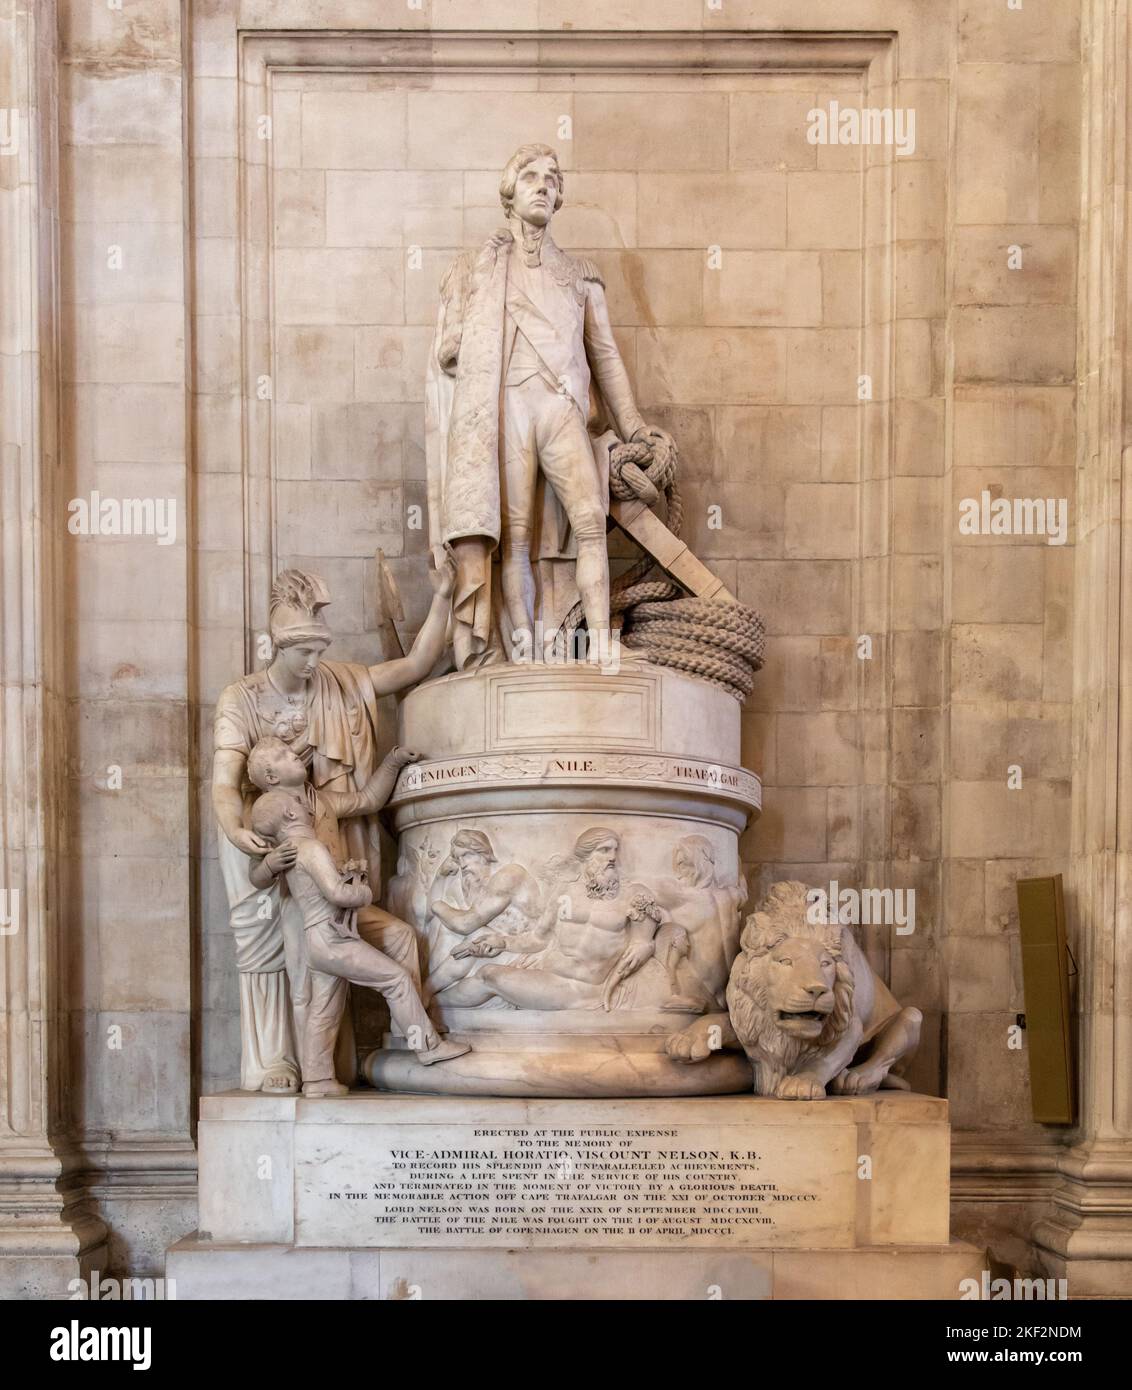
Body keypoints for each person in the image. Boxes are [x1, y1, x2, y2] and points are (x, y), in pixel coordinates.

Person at [211, 552, 455, 1093]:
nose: (312, 662)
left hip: (328, 842)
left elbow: (416, 666)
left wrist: (442, 598)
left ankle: (392, 1051)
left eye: (319, 650)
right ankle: (285, 1063)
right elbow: (225, 784)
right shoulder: (242, 699)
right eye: (303, 651)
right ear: (279, 646)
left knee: (353, 964)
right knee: (287, 964)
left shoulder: (338, 692)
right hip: (269, 844)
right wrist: (239, 834)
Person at [426, 143, 674, 664]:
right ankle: (523, 652)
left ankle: (602, 644)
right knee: (515, 538)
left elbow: (605, 358)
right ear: (510, 193)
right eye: (532, 177)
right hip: (510, 407)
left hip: (561, 410)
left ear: (559, 198)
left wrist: (633, 428)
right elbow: (449, 352)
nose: (544, 185)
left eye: (554, 179)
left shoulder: (579, 275)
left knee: (589, 522)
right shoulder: (479, 271)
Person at [248, 784, 469, 1098]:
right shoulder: (311, 848)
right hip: (334, 938)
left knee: (324, 1010)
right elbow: (337, 894)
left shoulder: (293, 851)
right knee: (396, 979)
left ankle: (317, 1080)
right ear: (290, 812)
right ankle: (428, 1046)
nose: (305, 803)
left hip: (317, 941)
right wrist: (361, 890)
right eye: (298, 801)